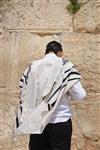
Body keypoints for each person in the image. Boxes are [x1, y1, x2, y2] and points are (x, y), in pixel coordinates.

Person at [17, 41, 86, 150]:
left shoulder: (32, 68)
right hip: (60, 122)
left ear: (46, 52)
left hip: (37, 122)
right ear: (60, 53)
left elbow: (22, 92)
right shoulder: (66, 67)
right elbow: (80, 95)